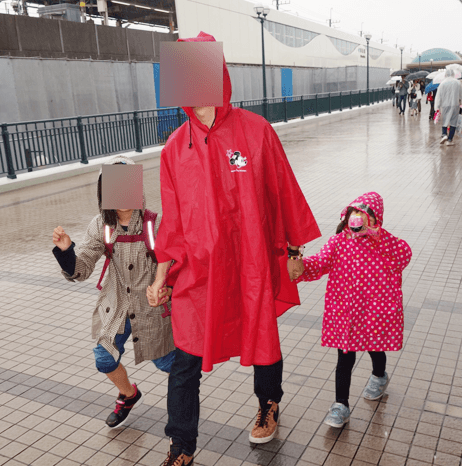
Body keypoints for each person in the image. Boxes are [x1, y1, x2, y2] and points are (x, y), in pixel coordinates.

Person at [148, 32, 321, 466]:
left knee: (263, 338)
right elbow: (172, 222)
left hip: (251, 262)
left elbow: (282, 193)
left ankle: (269, 403)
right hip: (199, 273)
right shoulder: (174, 148)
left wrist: (294, 252)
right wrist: (160, 278)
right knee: (186, 357)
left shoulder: (255, 131)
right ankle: (180, 443)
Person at [51, 156, 176, 429]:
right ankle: (129, 395)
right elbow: (81, 269)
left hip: (151, 307)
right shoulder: (101, 226)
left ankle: (186, 398)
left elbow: (175, 262)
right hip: (117, 303)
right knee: (104, 357)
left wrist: (164, 284)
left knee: (169, 363)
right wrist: (66, 252)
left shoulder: (155, 223)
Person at [294, 192, 411, 427]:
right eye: (353, 212)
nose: (357, 217)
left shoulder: (384, 243)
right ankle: (341, 404)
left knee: (375, 347)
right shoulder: (338, 243)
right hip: (346, 312)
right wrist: (299, 264)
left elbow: (404, 255)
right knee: (344, 357)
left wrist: (379, 236)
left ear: (374, 219)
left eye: (363, 213)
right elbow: (320, 262)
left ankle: (379, 376)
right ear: (346, 216)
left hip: (374, 310)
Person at [435, 69, 462, 146]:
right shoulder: (457, 82)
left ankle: (444, 134)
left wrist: (437, 107)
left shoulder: (442, 83)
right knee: (453, 122)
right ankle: (450, 139)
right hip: (455, 104)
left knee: (445, 120)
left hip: (445, 105)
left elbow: (438, 96)